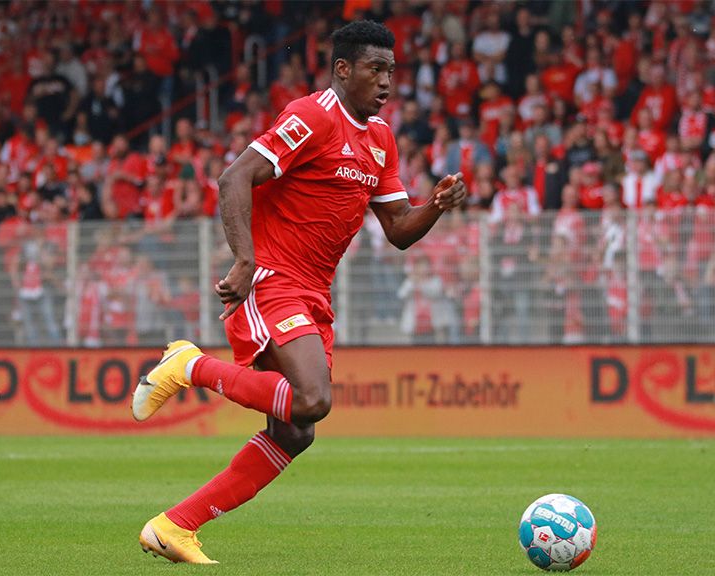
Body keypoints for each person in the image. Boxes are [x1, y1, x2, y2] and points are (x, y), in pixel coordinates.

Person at [129, 21, 467, 564]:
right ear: (342, 69)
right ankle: (187, 366)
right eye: (374, 69)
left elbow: (399, 228)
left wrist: (436, 205)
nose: (385, 81)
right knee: (314, 401)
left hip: (314, 292)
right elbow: (235, 177)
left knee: (295, 433)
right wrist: (245, 259)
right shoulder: (312, 116)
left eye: (391, 70)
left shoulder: (379, 138)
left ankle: (175, 526)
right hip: (274, 281)